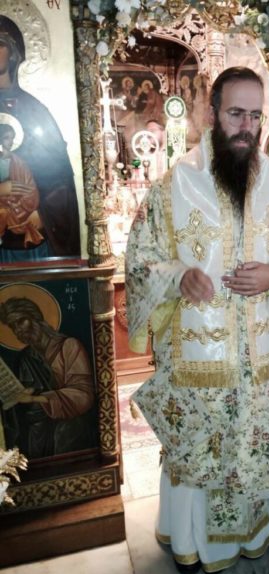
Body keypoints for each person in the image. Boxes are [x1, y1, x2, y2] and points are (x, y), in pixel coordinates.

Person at [125, 67, 269, 574]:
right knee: (198, 449)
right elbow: (141, 258)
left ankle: (256, 534)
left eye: (255, 116)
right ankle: (191, 542)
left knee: (254, 446)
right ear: (211, 114)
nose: (246, 127)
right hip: (197, 356)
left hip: (260, 358)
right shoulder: (175, 185)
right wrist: (178, 276)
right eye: (236, 113)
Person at [0, 15, 80, 262]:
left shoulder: (35, 112)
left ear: (13, 54)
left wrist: (43, 213)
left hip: (32, 244)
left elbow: (60, 179)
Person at [0, 297, 96, 459]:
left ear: (35, 318)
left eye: (21, 321)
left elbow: (84, 396)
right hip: (36, 434)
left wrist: (33, 398)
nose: (18, 330)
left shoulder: (69, 346)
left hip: (68, 432)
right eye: (13, 326)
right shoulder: (26, 358)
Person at [0, 122, 43, 247]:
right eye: (6, 138)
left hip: (18, 208)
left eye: (12, 138)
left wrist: (18, 204)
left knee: (36, 220)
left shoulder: (20, 163)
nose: (11, 141)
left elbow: (31, 190)